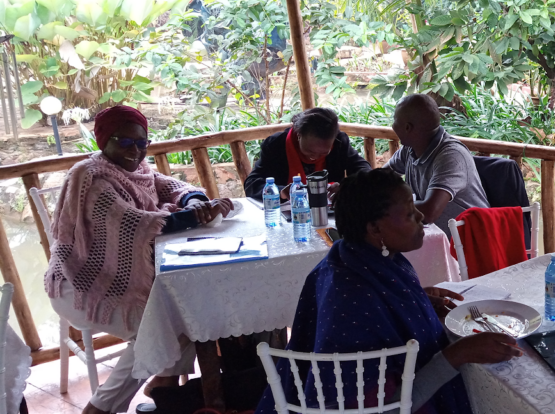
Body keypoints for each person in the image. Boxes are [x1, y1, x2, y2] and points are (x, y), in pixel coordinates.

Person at [255, 169, 520, 413]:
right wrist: (458, 354)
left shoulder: (353, 257)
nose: (422, 216)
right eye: (408, 213)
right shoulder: (353, 302)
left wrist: (416, 300)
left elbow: (380, 302)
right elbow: (385, 409)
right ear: (374, 228)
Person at [44, 106, 234, 414]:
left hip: (118, 282)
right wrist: (191, 217)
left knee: (189, 315)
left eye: (142, 143)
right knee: (160, 327)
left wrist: (194, 201)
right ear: (103, 141)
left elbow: (170, 185)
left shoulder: (137, 169)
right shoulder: (91, 178)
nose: (136, 150)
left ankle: (163, 387)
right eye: (126, 142)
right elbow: (135, 223)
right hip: (83, 285)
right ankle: (100, 408)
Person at [385, 94, 488, 236]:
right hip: (440, 238)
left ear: (407, 128)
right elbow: (380, 179)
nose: (392, 125)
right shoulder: (410, 149)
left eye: (395, 120)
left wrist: (383, 208)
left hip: (471, 242)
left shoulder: (450, 156)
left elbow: (428, 212)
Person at [244, 107, 370, 201]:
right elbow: (251, 184)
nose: (315, 157)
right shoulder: (276, 145)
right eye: (310, 151)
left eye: (324, 152)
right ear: (299, 134)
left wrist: (345, 186)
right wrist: (280, 191)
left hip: (329, 213)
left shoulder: (339, 143)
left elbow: (365, 172)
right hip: (289, 213)